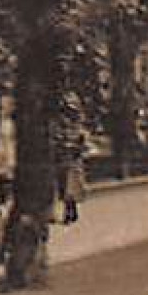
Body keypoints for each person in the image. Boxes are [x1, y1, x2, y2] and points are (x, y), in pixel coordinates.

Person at [51, 93, 87, 224]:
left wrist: (76, 146)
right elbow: (56, 138)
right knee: (64, 184)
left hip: (72, 158)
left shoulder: (77, 126)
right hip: (63, 156)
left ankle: (70, 210)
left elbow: (82, 141)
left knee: (71, 185)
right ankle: (67, 209)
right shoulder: (58, 124)